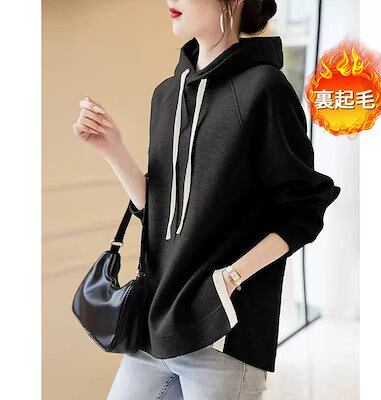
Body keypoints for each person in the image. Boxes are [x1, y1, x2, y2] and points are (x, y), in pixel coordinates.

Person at [73, 1, 341, 398]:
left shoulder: (264, 89)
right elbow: (158, 210)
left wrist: (230, 279)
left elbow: (304, 208)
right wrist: (113, 149)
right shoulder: (166, 95)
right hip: (155, 323)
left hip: (223, 337)